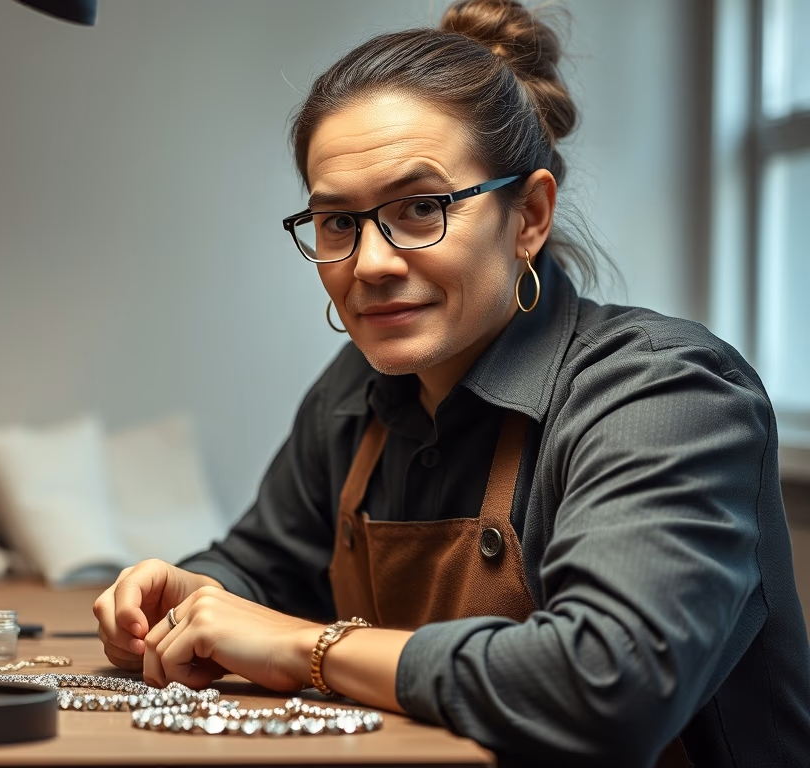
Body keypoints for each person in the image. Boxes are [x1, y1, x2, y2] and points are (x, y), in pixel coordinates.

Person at [91, 1, 810, 765]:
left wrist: (312, 649)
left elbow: (608, 686)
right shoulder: (355, 396)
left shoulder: (666, 395)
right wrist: (186, 594)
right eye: (338, 223)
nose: (370, 264)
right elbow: (260, 569)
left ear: (528, 216)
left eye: (421, 208)